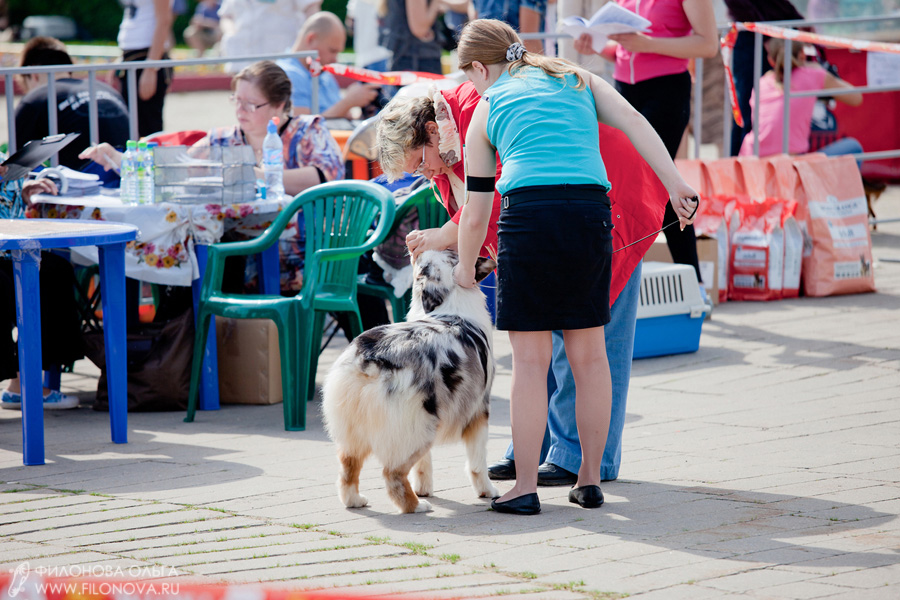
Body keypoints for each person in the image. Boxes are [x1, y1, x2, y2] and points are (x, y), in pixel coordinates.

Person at [454, 19, 698, 514]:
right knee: (590, 359)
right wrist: (676, 185)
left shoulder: (486, 107)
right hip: (591, 213)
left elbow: (477, 211)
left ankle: (524, 488)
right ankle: (589, 479)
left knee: (529, 363)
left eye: (471, 77)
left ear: (480, 66)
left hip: (528, 218)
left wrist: (464, 267)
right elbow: (634, 121)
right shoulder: (577, 78)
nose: (473, 87)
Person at [376, 78, 667, 486]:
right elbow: (484, 214)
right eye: (418, 171)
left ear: (427, 131)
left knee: (589, 340)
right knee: (541, 339)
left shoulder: (478, 110)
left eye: (421, 162)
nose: (428, 171)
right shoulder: (444, 140)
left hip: (609, 198)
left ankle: (581, 458)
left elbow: (494, 196)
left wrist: (444, 236)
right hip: (556, 213)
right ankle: (534, 450)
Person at [81, 61, 345, 293]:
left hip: (302, 252)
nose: (240, 110)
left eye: (251, 104)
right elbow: (179, 168)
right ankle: (188, 337)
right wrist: (119, 160)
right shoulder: (222, 139)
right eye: (236, 101)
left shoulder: (306, 131)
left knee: (215, 253)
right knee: (193, 248)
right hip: (234, 250)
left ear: (278, 105)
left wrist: (251, 174)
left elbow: (325, 176)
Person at [574, 0, 716, 291]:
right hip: (624, 91)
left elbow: (708, 45)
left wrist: (648, 44)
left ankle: (694, 283)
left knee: (659, 181)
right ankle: (619, 279)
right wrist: (596, 46)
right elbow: (627, 51)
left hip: (666, 91)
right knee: (625, 182)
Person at [0, 167, 82, 410]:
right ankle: (18, 379)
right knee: (3, 286)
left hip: (7, 245)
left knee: (55, 272)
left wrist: (21, 193)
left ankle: (24, 383)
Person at [14, 37, 129, 171]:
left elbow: (15, 165)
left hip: (80, 181)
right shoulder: (107, 90)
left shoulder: (36, 98)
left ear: (33, 74)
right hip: (123, 172)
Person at [739, 38, 863, 159]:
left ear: (771, 61)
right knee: (853, 147)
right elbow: (856, 98)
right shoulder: (813, 75)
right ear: (803, 55)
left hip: (752, 159)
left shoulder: (762, 82)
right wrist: (821, 70)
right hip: (789, 164)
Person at [277, 11, 380, 119]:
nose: (335, 59)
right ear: (310, 39)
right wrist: (348, 102)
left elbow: (343, 118)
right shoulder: (288, 75)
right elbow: (302, 129)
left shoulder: (323, 73)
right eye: (332, 51)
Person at [117, 0, 175, 138]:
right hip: (131, 56)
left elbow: (164, 21)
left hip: (148, 56)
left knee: (149, 129)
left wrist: (151, 67)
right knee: (130, 125)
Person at [219, 0, 322, 74]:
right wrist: (231, 34)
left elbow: (311, 9)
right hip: (242, 60)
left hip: (280, 58)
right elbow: (226, 16)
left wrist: (313, 42)